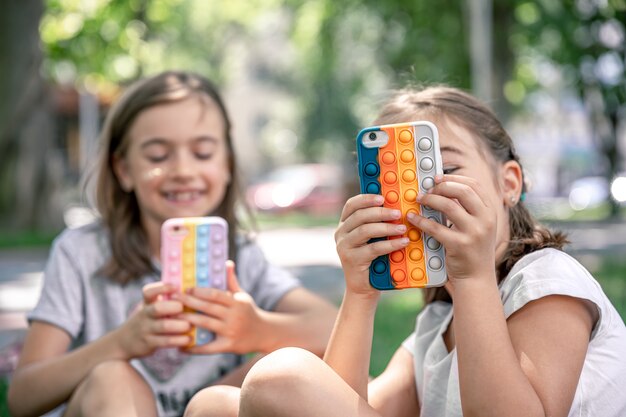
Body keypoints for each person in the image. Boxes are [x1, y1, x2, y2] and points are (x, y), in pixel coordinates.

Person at [234, 86, 626, 417]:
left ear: (508, 184)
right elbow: (336, 402)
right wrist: (360, 293)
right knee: (214, 405)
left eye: (447, 169)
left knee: (280, 377)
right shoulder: (437, 323)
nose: (423, 197)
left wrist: (473, 279)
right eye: (397, 183)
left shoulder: (547, 279)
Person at [7, 70, 338, 417]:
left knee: (283, 364)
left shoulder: (239, 255)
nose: (182, 169)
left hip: (204, 410)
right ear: (123, 170)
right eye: (157, 156)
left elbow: (330, 328)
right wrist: (121, 343)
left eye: (203, 152)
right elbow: (23, 395)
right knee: (111, 377)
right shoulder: (80, 253)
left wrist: (256, 330)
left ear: (226, 164)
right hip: (111, 405)